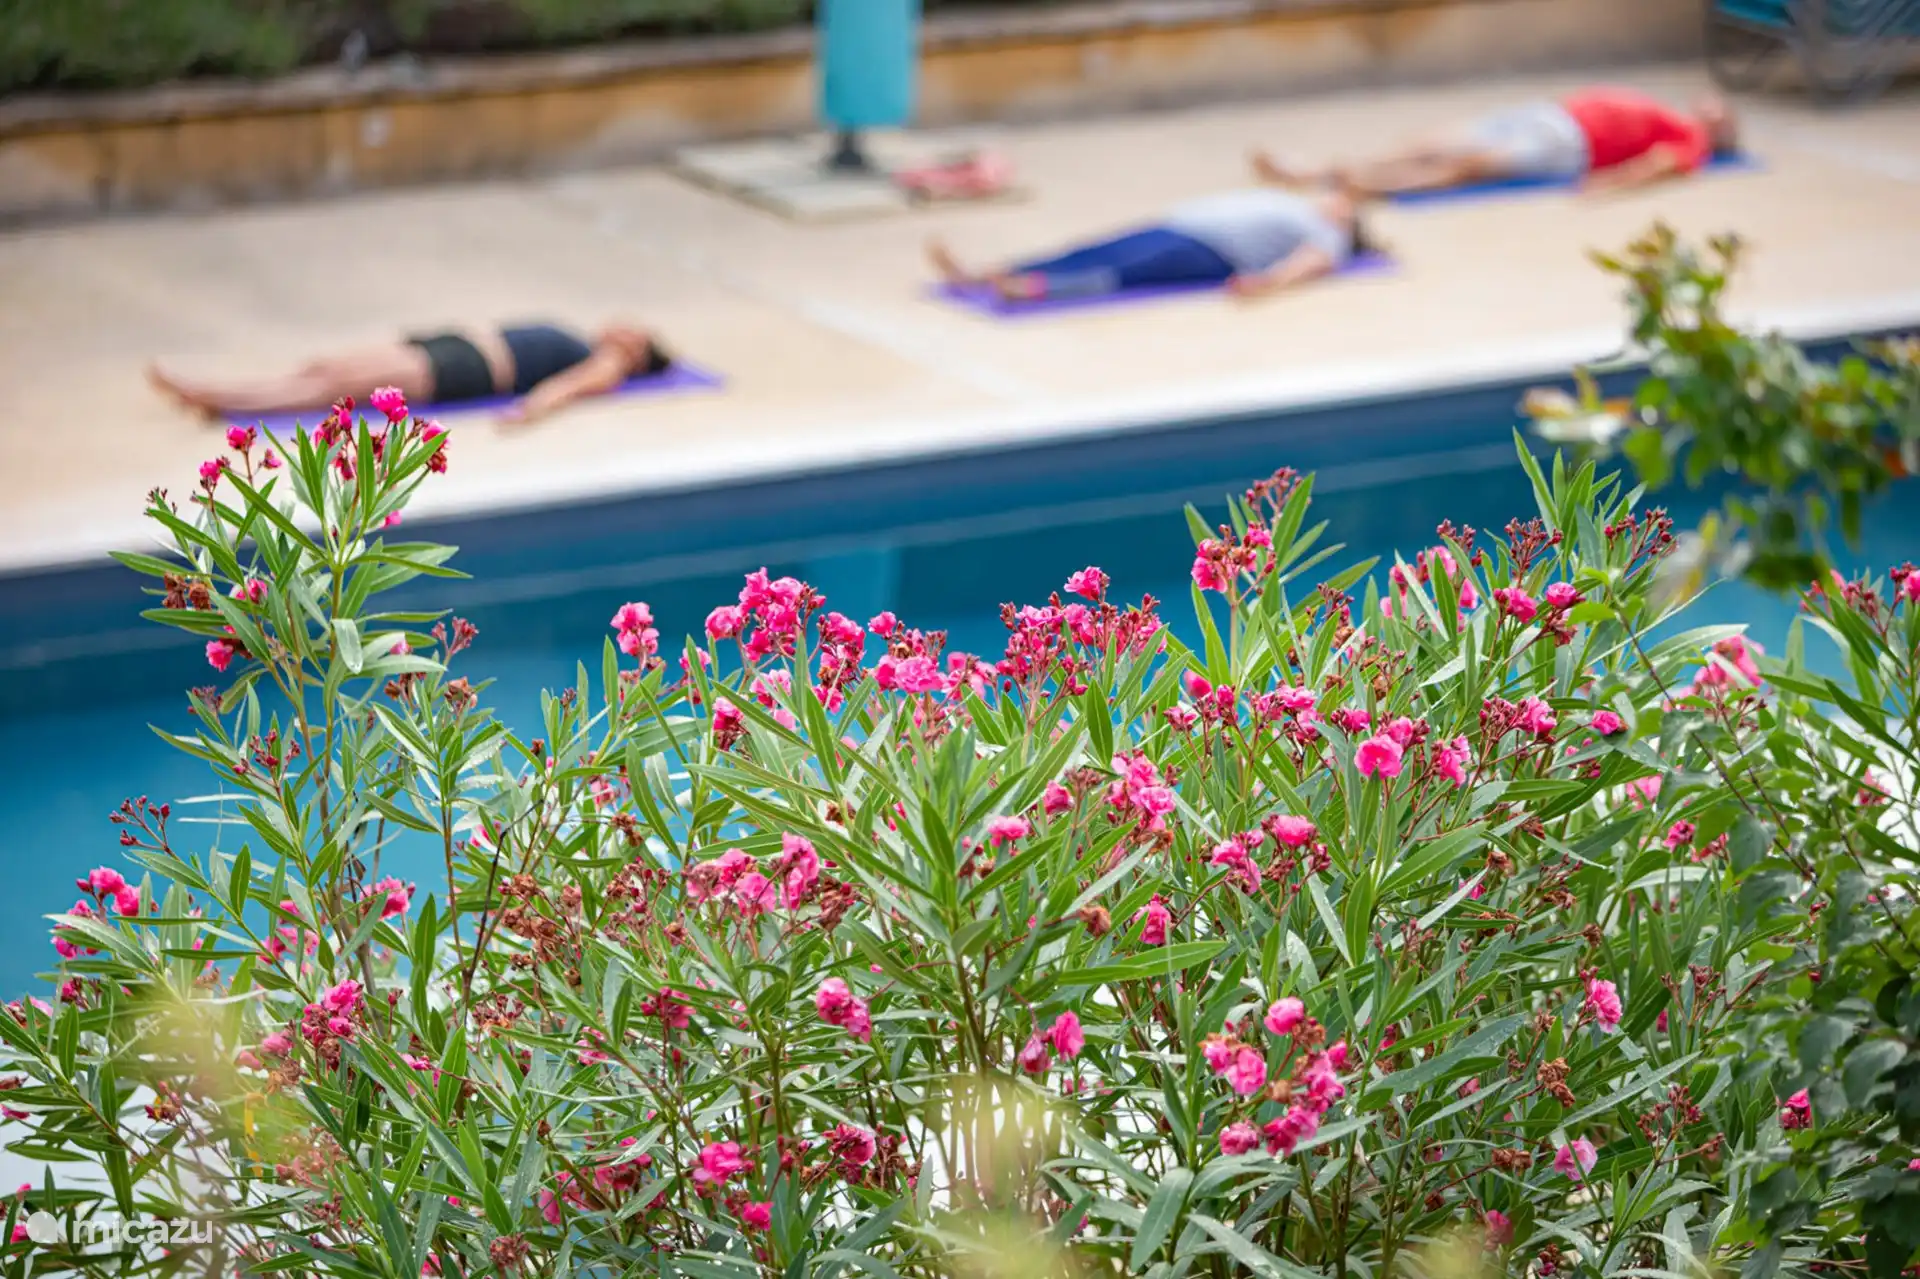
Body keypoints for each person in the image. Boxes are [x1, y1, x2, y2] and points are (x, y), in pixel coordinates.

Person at [149, 322, 671, 426]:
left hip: (464, 369)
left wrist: (531, 411)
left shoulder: (612, 362)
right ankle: (223, 392)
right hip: (450, 346)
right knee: (323, 368)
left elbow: (569, 386)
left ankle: (217, 395)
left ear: (638, 350)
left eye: (637, 333)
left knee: (328, 389)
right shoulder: (591, 341)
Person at [928, 183, 1373, 304]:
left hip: (1212, 251)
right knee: (1087, 250)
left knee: (1126, 273)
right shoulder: (1302, 205)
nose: (1334, 197)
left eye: (1343, 201)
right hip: (1180, 226)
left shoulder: (1329, 234)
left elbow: (1312, 263)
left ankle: (1034, 290)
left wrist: (1268, 282)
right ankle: (988, 271)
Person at [1253, 89, 1740, 197]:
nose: (1708, 105)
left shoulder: (1692, 140)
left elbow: (1661, 164)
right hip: (1551, 115)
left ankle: (1370, 186)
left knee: (1472, 164)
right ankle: (1320, 171)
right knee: (1435, 141)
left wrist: (1606, 184)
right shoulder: (1672, 113)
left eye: (1719, 112)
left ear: (1720, 131)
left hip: (1570, 146)